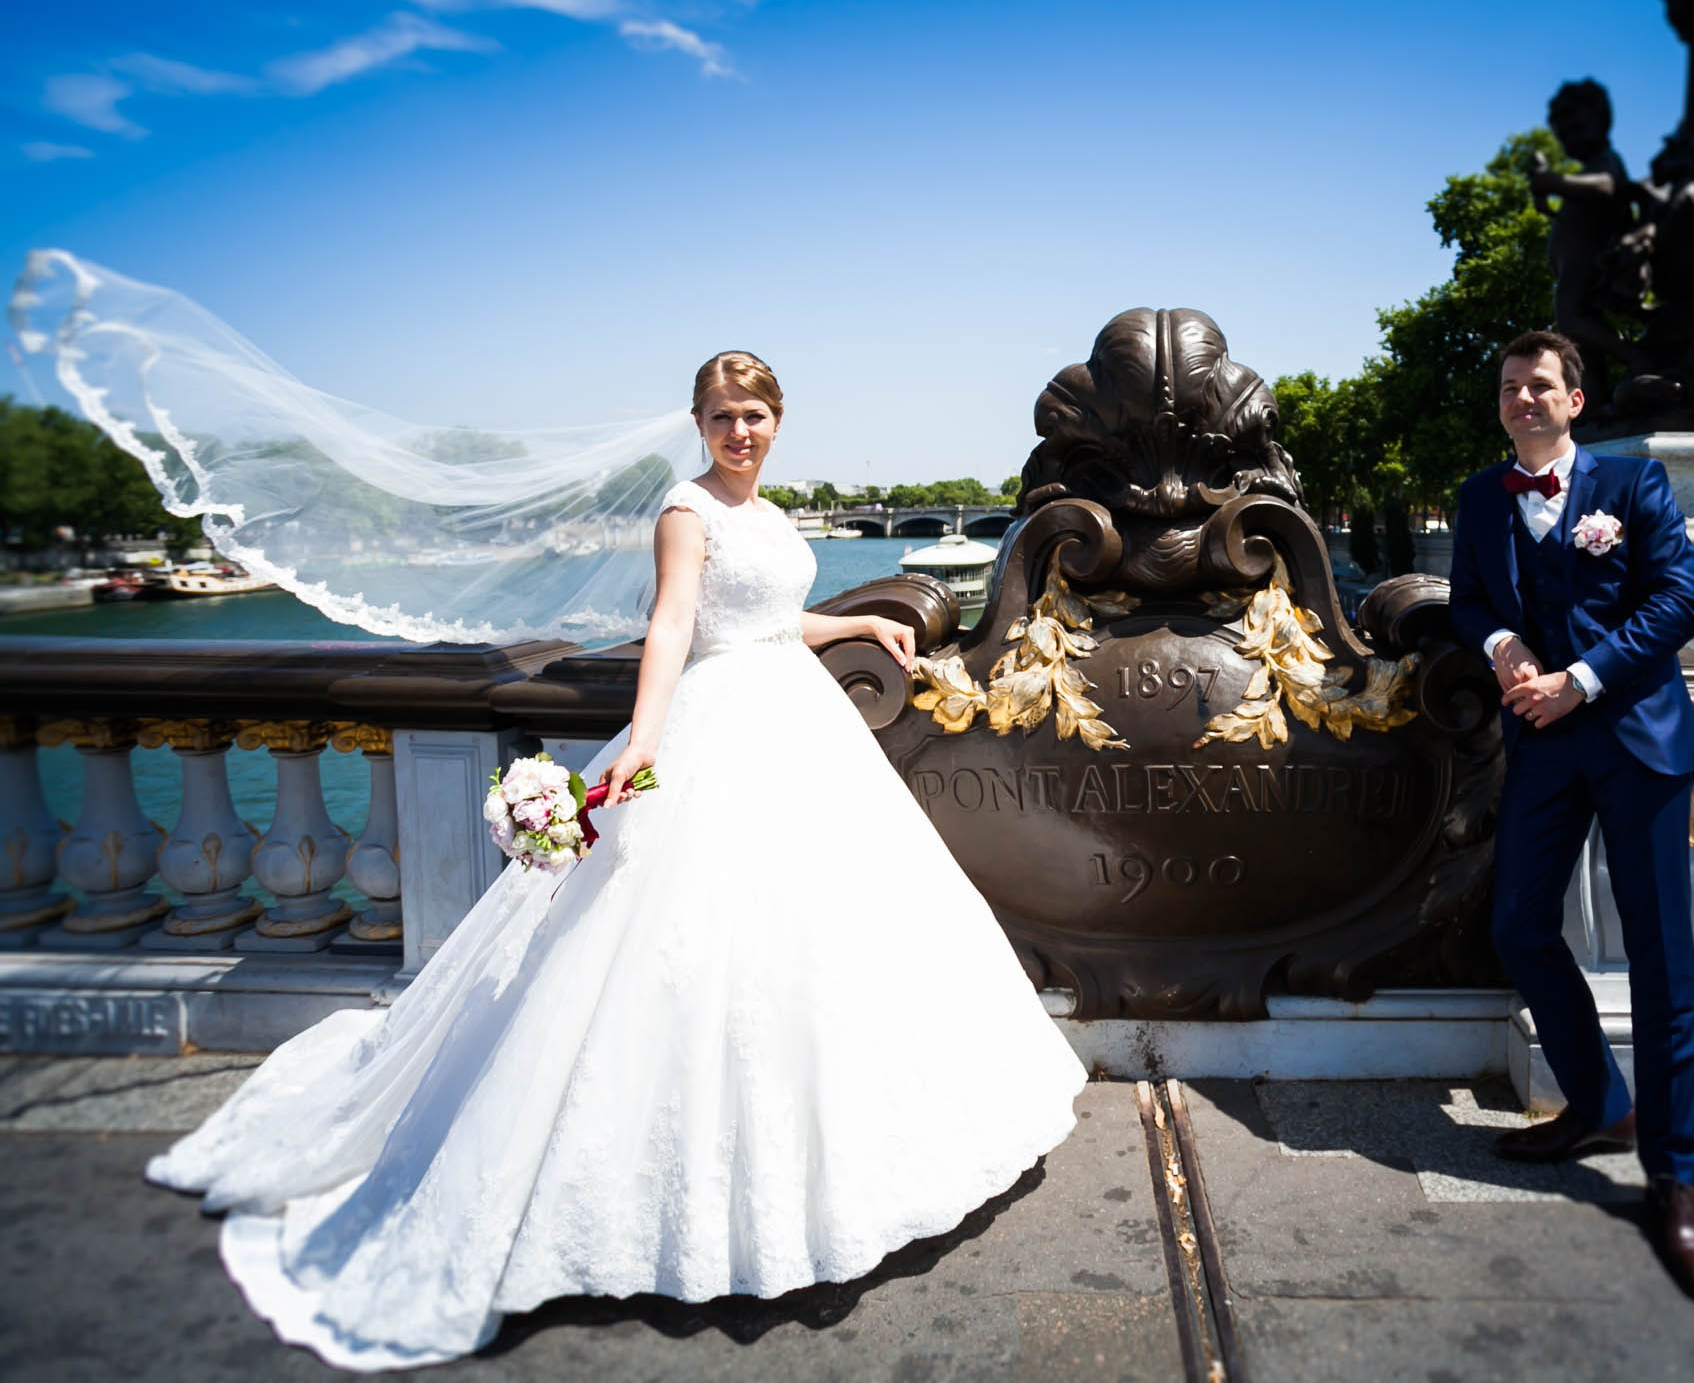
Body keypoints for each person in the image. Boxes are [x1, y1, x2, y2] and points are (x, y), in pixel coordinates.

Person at [143, 351, 1089, 1369]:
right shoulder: (686, 510)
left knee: (820, 943)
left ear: (779, 420)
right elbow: (676, 620)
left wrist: (856, 618)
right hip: (719, 725)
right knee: (676, 948)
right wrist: (642, 737)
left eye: (756, 414)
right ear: (698, 422)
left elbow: (768, 618)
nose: (741, 432)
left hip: (797, 722)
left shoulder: (771, 518)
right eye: (724, 416)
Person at [1445, 329, 1694, 1299]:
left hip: (1638, 739)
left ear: (1575, 399)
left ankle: (1675, 1179)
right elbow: (1467, 599)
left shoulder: (1634, 485)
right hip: (1543, 746)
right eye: (1512, 386)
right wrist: (1506, 643)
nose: (1525, 398)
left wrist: (1584, 676)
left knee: (1659, 957)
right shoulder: (1481, 496)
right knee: (1520, 921)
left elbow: (1686, 595)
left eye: (1541, 386)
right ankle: (1598, 1099)